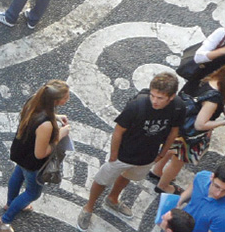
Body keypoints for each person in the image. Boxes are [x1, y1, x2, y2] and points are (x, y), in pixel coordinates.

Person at [77, 73, 182, 231]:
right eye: (153, 95)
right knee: (102, 179)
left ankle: (112, 199)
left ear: (171, 97)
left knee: (128, 176)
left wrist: (163, 152)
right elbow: (119, 130)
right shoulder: (137, 105)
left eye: (160, 98)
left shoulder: (178, 107)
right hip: (124, 153)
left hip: (147, 156)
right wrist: (113, 154)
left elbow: (174, 131)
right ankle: (89, 207)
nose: (155, 101)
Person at [151, 61, 225, 195]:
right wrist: (224, 121)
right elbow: (200, 125)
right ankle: (163, 186)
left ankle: (157, 171)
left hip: (179, 123)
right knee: (178, 161)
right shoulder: (214, 98)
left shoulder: (208, 77)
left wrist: (221, 109)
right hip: (190, 135)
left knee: (170, 149)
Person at [0, 80, 71, 232]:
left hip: (21, 152)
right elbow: (40, 154)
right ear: (56, 101)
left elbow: (41, 112)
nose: (68, 99)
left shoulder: (34, 100)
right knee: (33, 193)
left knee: (17, 176)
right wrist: (59, 135)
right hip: (32, 163)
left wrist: (56, 116)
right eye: (66, 97)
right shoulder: (46, 125)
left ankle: (10, 202)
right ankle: (5, 220)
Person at [174, 163, 225, 232]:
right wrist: (179, 202)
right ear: (212, 177)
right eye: (217, 186)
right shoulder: (201, 177)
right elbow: (192, 187)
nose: (218, 194)